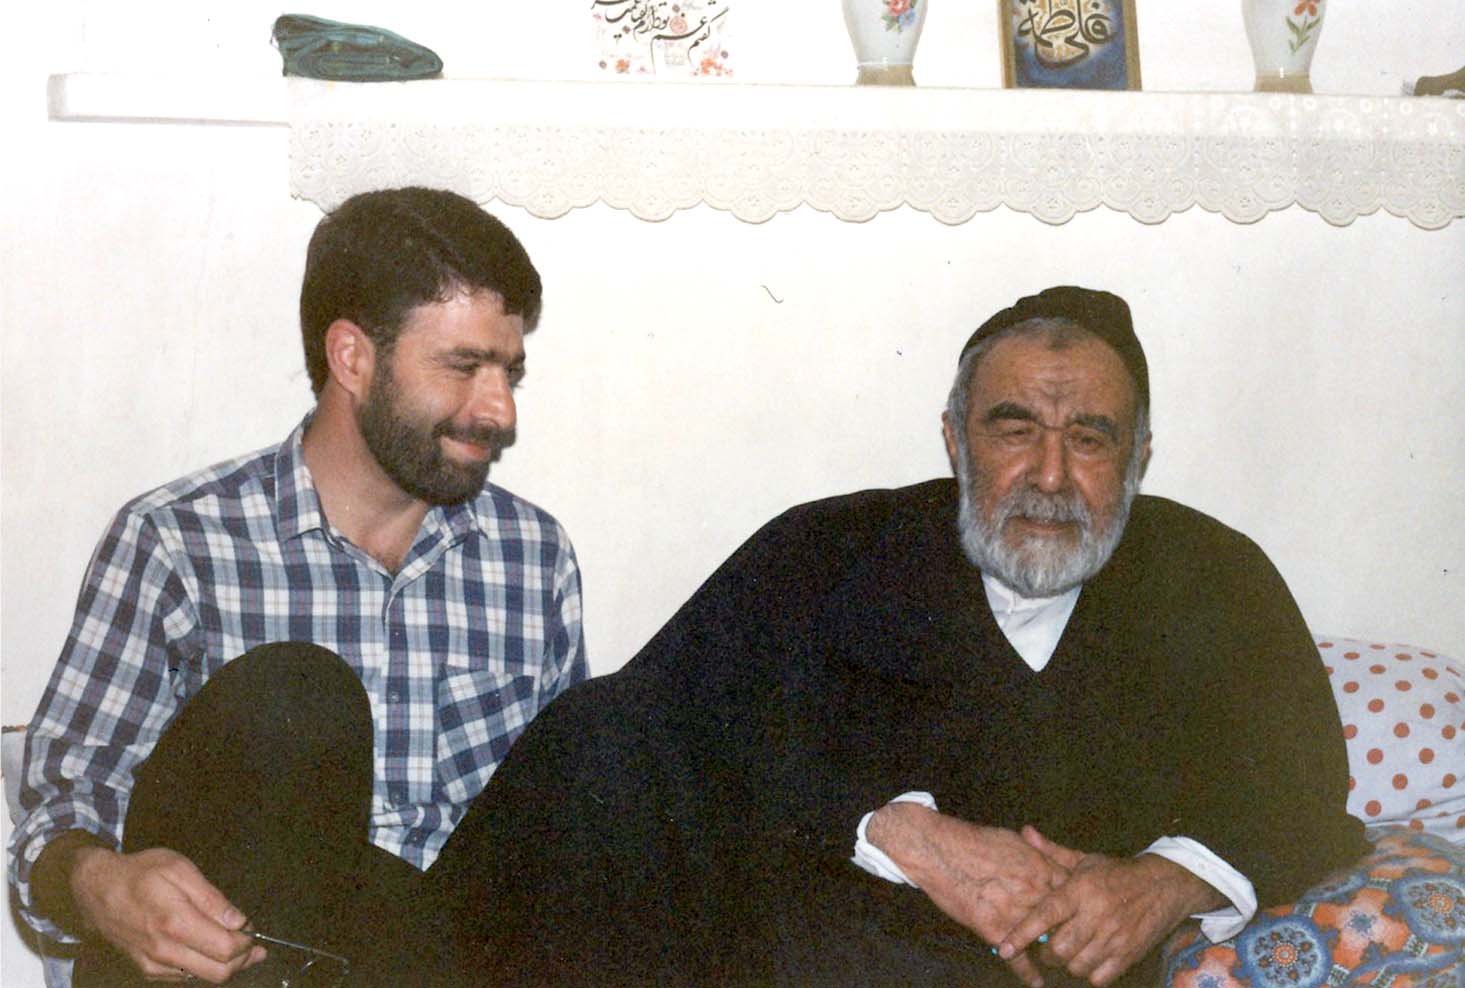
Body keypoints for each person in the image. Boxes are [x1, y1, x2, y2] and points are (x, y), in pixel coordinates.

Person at [432, 286, 1368, 988]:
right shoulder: (829, 549)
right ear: (956, 440)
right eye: (1013, 431)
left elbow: (1303, 794)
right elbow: (650, 728)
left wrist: (1166, 882)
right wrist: (898, 830)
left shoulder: (1213, 578)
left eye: (1089, 439)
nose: (1049, 475)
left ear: (1137, 459)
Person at [8, 187, 587, 987]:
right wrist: (100, 883)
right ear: (352, 358)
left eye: (508, 373)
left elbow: (560, 832)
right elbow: (61, 809)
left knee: (631, 729)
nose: (499, 411)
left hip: (443, 958)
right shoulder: (180, 540)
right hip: (251, 958)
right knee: (298, 694)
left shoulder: (531, 556)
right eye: (464, 367)